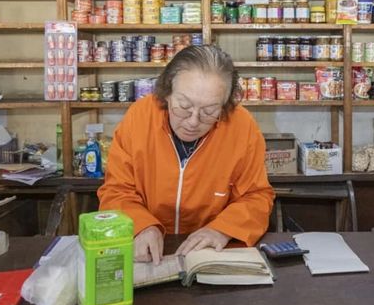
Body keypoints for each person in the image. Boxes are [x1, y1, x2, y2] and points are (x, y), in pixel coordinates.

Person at [98, 45, 275, 264]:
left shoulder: (242, 126)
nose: (193, 121)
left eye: (210, 112)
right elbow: (117, 190)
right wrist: (141, 226)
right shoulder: (139, 117)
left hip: (211, 254)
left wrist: (221, 230)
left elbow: (256, 196)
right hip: (148, 251)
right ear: (166, 93)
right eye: (183, 106)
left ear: (226, 105)